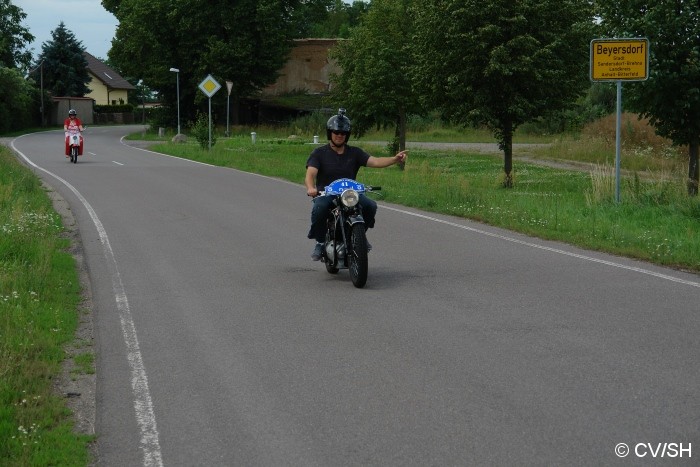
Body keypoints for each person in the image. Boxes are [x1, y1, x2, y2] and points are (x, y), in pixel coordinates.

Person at [305, 108, 407, 261]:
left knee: (370, 205)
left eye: (343, 133)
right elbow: (310, 174)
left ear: (347, 135)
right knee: (319, 208)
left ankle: (359, 236)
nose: (340, 136)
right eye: (336, 132)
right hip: (327, 194)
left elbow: (375, 161)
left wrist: (394, 159)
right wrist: (311, 188)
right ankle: (320, 242)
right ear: (330, 133)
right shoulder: (319, 153)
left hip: (350, 194)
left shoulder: (355, 153)